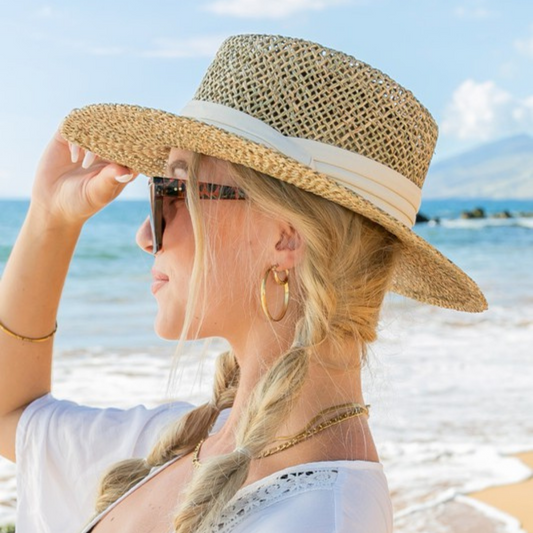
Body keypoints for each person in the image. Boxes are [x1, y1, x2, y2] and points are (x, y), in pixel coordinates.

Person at [0, 34, 487, 533]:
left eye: (175, 190)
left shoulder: (315, 519)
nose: (147, 234)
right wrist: (49, 220)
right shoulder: (190, 441)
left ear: (285, 234)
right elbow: (10, 413)